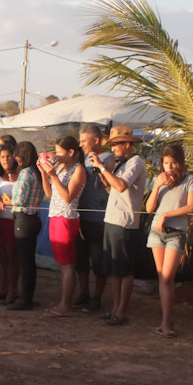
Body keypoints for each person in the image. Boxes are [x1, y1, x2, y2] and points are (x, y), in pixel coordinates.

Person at [88, 126, 147, 326]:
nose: (113, 149)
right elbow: (112, 188)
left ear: (127, 144)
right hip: (112, 219)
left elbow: (122, 186)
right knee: (113, 267)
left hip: (125, 221)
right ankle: (115, 308)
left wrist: (103, 168)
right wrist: (102, 174)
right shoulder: (121, 163)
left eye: (116, 144)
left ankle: (122, 311)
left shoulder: (136, 162)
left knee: (124, 269)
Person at [145, 144, 193, 338]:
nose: (169, 167)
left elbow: (191, 206)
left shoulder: (189, 180)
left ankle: (167, 321)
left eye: (173, 163)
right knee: (162, 278)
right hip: (157, 231)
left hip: (176, 232)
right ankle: (166, 321)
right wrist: (156, 187)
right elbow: (149, 208)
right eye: (166, 163)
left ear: (180, 163)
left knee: (167, 277)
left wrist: (167, 215)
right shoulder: (158, 180)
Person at [37, 136, 87, 317]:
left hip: (66, 217)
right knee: (62, 263)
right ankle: (64, 302)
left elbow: (68, 197)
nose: (56, 156)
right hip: (56, 216)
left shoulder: (78, 170)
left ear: (71, 152)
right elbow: (50, 193)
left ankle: (66, 305)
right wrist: (44, 173)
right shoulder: (60, 168)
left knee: (67, 264)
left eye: (59, 152)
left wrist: (53, 176)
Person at [75, 124, 116, 313]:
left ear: (96, 140)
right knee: (80, 259)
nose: (81, 144)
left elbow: (110, 186)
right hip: (79, 216)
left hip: (98, 218)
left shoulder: (108, 159)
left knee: (99, 260)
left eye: (84, 141)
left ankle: (97, 297)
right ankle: (84, 293)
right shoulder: (81, 159)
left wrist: (99, 166)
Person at [7, 141, 43, 311]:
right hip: (33, 217)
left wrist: (4, 202)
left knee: (25, 261)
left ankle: (25, 299)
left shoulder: (25, 172)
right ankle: (28, 296)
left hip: (23, 218)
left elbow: (19, 200)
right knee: (29, 260)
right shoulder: (36, 172)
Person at [0, 144, 19, 304]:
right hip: (0, 219)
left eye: (8, 156)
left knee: (12, 255)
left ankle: (13, 290)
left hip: (15, 219)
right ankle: (3, 288)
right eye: (2, 157)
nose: (6, 159)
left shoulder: (20, 173)